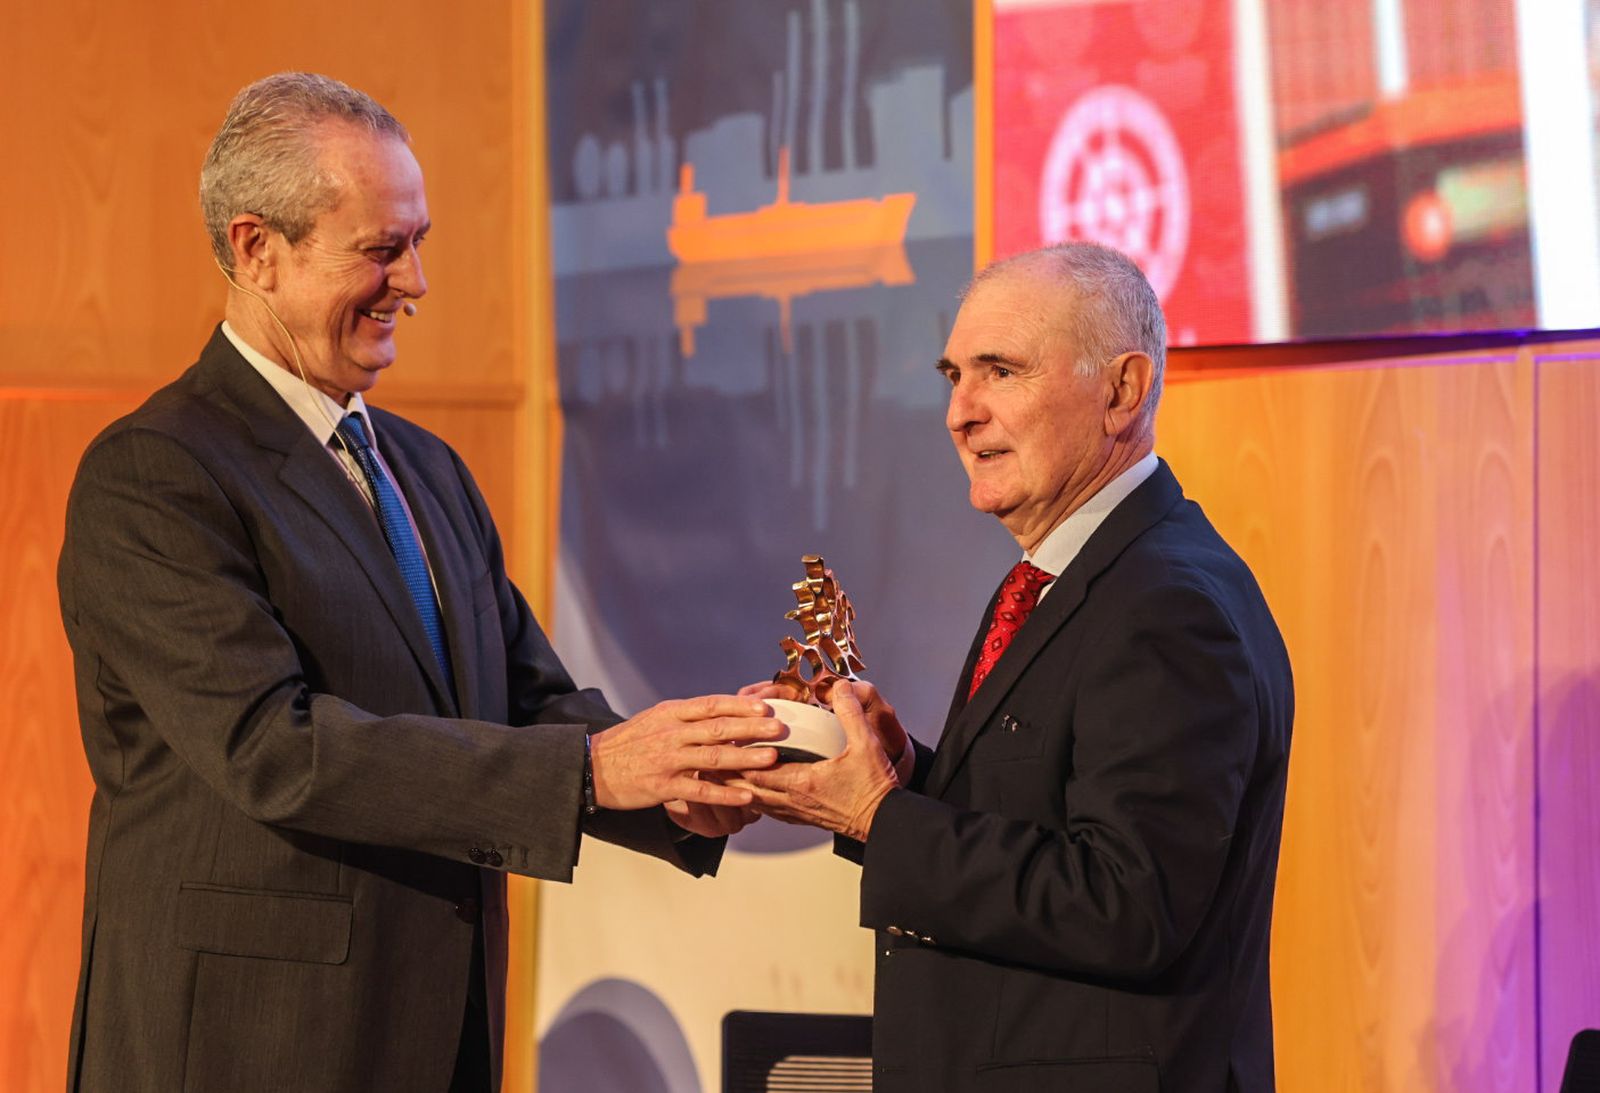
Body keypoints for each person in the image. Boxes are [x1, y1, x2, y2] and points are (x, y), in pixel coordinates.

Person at [56, 72, 780, 1093]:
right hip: (248, 1046)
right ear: (257, 249)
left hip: (436, 1033)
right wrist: (593, 775)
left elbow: (524, 705)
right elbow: (274, 749)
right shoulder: (155, 475)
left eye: (420, 241)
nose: (416, 281)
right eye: (382, 248)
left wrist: (679, 784)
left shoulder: (425, 467)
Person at [741, 242, 1294, 1091]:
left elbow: (1126, 902)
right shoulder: (1061, 574)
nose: (960, 412)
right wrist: (908, 776)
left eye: (1000, 370)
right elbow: (1044, 818)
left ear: (1122, 390)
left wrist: (882, 819)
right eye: (952, 373)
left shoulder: (1170, 604)